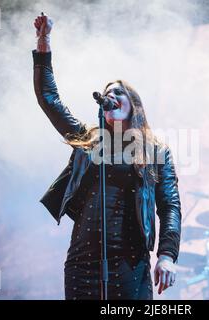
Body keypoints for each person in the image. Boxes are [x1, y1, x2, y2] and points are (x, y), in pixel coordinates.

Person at [32, 13, 182, 300]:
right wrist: (43, 42)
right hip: (82, 260)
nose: (110, 95)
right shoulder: (88, 140)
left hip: (129, 260)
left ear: (133, 104)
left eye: (118, 92)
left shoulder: (154, 150)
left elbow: (170, 206)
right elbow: (49, 99)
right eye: (106, 92)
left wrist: (166, 255)